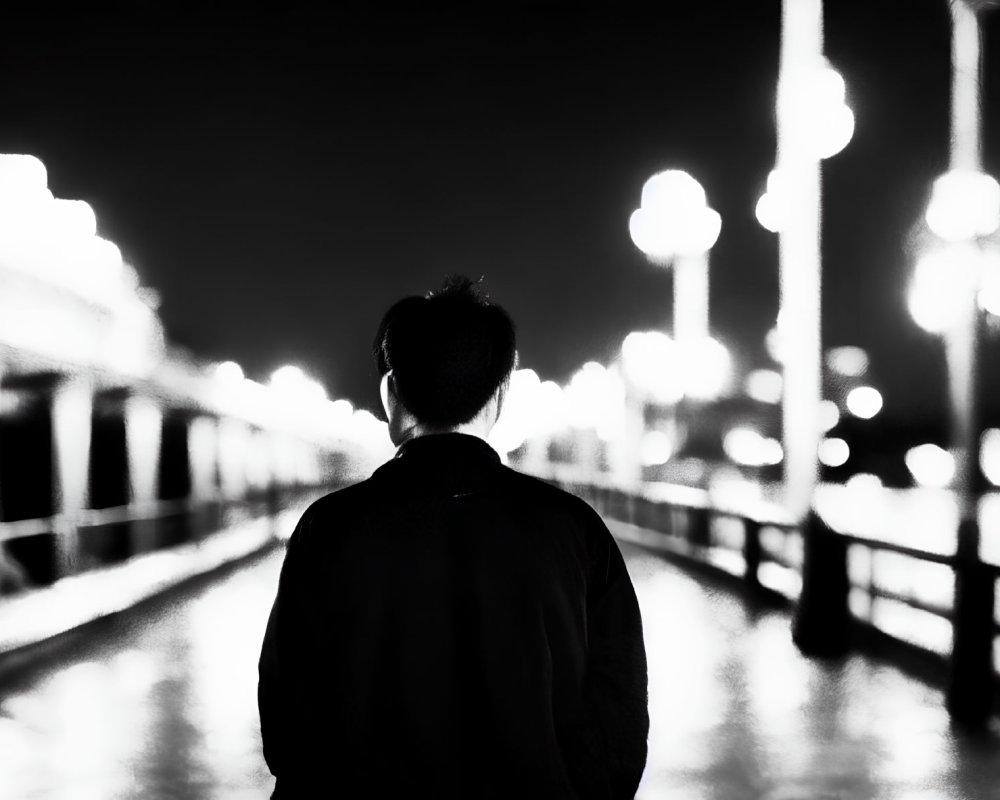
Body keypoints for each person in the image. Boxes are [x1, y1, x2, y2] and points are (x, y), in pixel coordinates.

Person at [258, 275, 648, 799]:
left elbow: (287, 721)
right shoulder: (574, 529)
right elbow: (619, 712)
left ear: (390, 392)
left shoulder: (329, 528)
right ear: (501, 394)